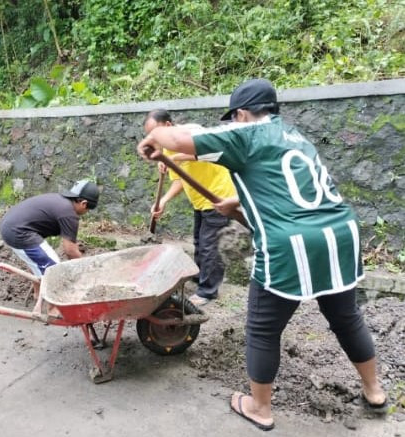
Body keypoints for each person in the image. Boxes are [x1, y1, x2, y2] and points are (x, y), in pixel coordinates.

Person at [137, 78, 387, 431]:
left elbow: (177, 138)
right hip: (339, 234)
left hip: (291, 243)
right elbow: (292, 187)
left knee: (262, 329)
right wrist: (235, 203)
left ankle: (260, 407)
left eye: (233, 119)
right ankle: (374, 391)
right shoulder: (294, 136)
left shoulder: (246, 134)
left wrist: (152, 140)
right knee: (347, 319)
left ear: (240, 114)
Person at [144, 109, 237, 305]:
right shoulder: (166, 149)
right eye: (151, 135)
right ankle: (200, 278)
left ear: (168, 126)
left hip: (218, 196)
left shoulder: (190, 133)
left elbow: (207, 149)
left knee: (210, 246)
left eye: (156, 132)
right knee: (199, 242)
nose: (155, 138)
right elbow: (178, 181)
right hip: (199, 201)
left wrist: (172, 159)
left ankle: (207, 292)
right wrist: (163, 201)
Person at [0, 180, 100, 310]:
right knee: (54, 270)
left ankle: (37, 295)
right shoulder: (69, 214)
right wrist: (86, 272)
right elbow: (70, 251)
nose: (86, 212)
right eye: (88, 209)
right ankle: (53, 310)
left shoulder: (59, 202)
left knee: (39, 261)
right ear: (83, 203)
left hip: (10, 226)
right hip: (19, 233)